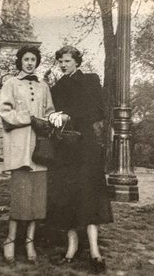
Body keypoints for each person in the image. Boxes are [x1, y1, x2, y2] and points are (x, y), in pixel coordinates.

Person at [47, 46, 113, 274]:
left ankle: (95, 251)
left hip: (86, 147)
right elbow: (51, 110)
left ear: (76, 61)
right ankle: (72, 246)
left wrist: (70, 116)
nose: (63, 65)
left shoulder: (91, 81)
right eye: (60, 62)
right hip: (65, 150)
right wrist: (53, 116)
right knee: (67, 197)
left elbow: (99, 111)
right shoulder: (58, 86)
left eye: (67, 60)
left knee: (90, 195)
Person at [0, 45, 55, 264]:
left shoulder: (43, 86)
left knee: (37, 201)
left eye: (33, 59)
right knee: (20, 199)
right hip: (20, 149)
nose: (30, 62)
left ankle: (30, 240)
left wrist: (51, 120)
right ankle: (10, 240)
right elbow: (5, 112)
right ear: (20, 61)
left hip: (40, 151)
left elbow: (50, 112)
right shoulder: (10, 83)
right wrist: (29, 117)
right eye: (26, 59)